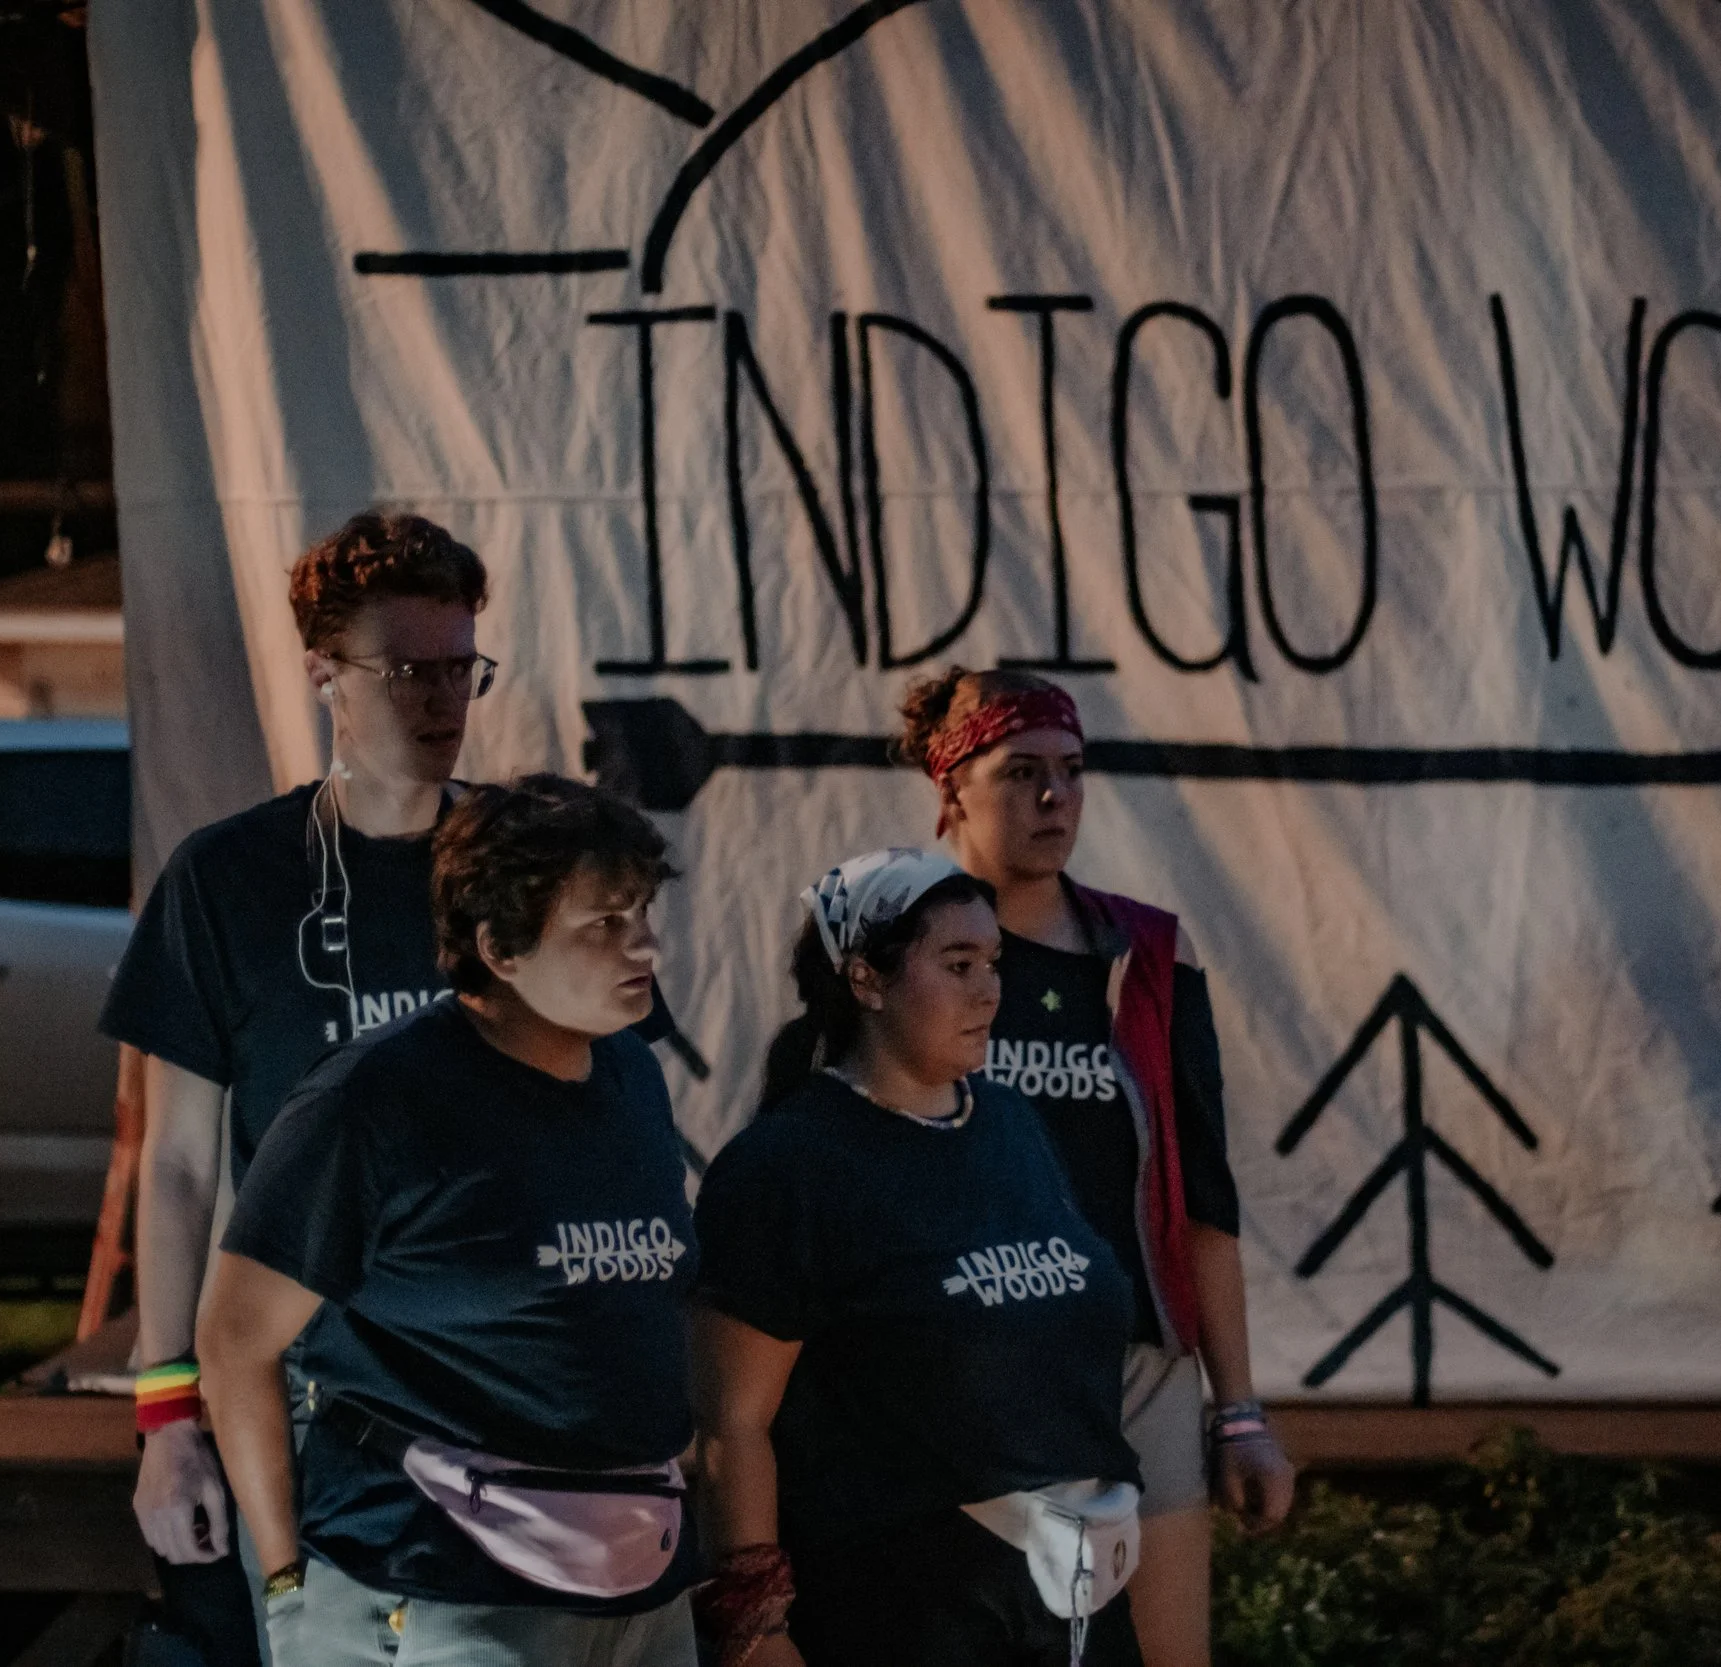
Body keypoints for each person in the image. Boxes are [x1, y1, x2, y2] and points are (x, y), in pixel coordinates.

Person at [99, 511, 676, 1660]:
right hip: (303, 1389)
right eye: (407, 669)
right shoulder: (231, 876)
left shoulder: (524, 873)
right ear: (324, 673)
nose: (442, 697)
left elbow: (608, 1102)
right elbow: (178, 1162)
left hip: (499, 1407)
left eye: (461, 666)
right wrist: (167, 1416)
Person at [197, 774, 699, 1666]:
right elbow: (235, 1341)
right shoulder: (372, 1100)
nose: (645, 945)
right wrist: (284, 1587)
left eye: (643, 915)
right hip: (438, 1589)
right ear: (499, 946)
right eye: (604, 924)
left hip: (641, 1587)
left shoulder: (632, 1075)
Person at [892, 669, 1295, 1667]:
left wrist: (1239, 1411)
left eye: (1071, 770)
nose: (1054, 796)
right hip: (955, 1369)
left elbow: (1203, 1196)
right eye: (1020, 770)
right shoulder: (887, 947)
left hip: (1132, 1368)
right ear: (951, 787)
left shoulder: (1148, 953)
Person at [692, 849, 1143, 1667]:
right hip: (909, 1602)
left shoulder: (1010, 1121)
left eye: (995, 962)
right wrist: (756, 1628)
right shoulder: (787, 1165)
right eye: (958, 964)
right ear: (866, 978)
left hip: (1076, 1597)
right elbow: (733, 1422)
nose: (990, 989)